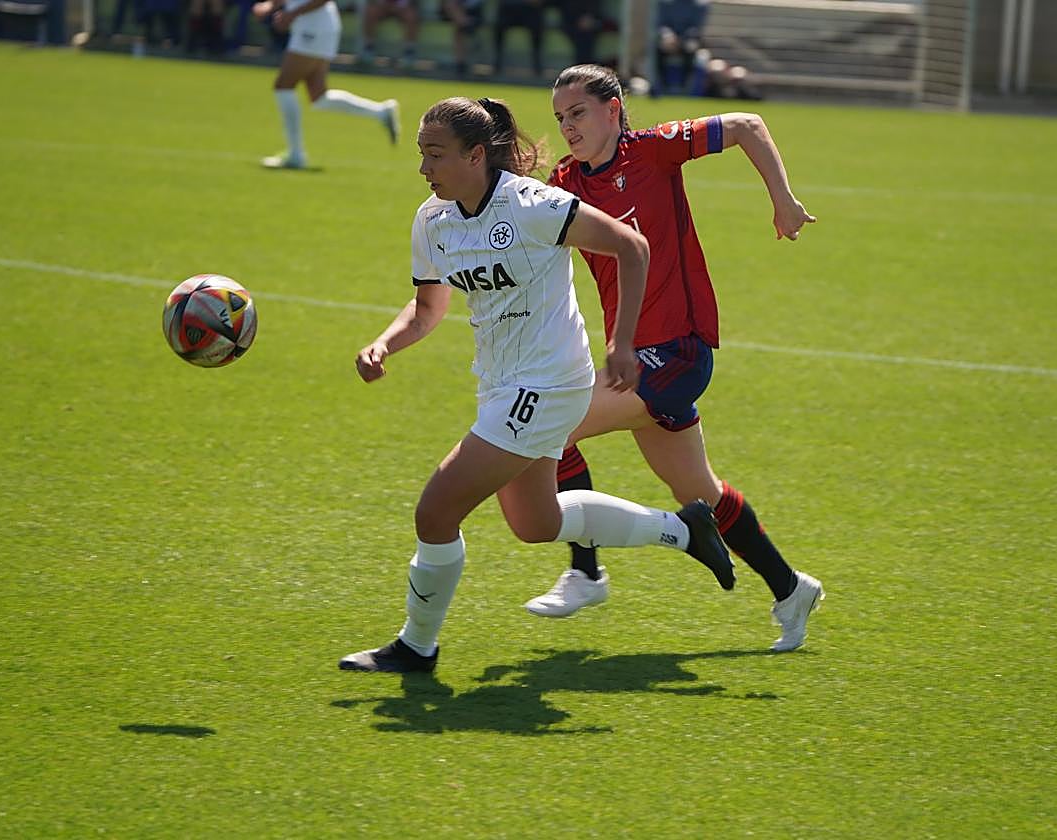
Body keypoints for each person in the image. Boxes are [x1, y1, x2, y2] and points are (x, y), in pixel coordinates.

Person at [338, 96, 735, 674]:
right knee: (536, 523)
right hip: (501, 384)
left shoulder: (533, 205)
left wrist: (621, 344)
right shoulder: (433, 219)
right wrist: (383, 344)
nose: (424, 169)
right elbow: (427, 308)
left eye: (435, 155)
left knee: (436, 511)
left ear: (477, 155)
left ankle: (416, 646)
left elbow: (632, 245)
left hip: (549, 384)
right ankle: (682, 528)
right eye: (421, 155)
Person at [526, 64, 823, 653]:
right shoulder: (566, 181)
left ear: (613, 110)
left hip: (680, 352)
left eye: (578, 113)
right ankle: (791, 588)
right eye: (561, 118)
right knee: (702, 490)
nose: (568, 127)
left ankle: (586, 572)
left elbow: (746, 122)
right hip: (637, 364)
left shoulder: (653, 151)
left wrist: (783, 199)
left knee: (549, 427)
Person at [251, 0, 399, 169]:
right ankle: (381, 112)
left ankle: (295, 154)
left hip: (314, 27)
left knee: (283, 86)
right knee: (319, 96)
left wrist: (291, 14)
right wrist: (270, 6)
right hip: (315, 26)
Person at [359, 0, 419, 68]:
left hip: (403, 7)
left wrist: (399, 6)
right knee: (371, 12)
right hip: (383, 6)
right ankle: (368, 48)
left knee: (411, 16)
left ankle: (409, 52)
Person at [440, 0, 484, 78]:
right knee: (451, 5)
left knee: (459, 30)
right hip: (455, 10)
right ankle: (468, 28)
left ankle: (460, 64)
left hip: (472, 11)